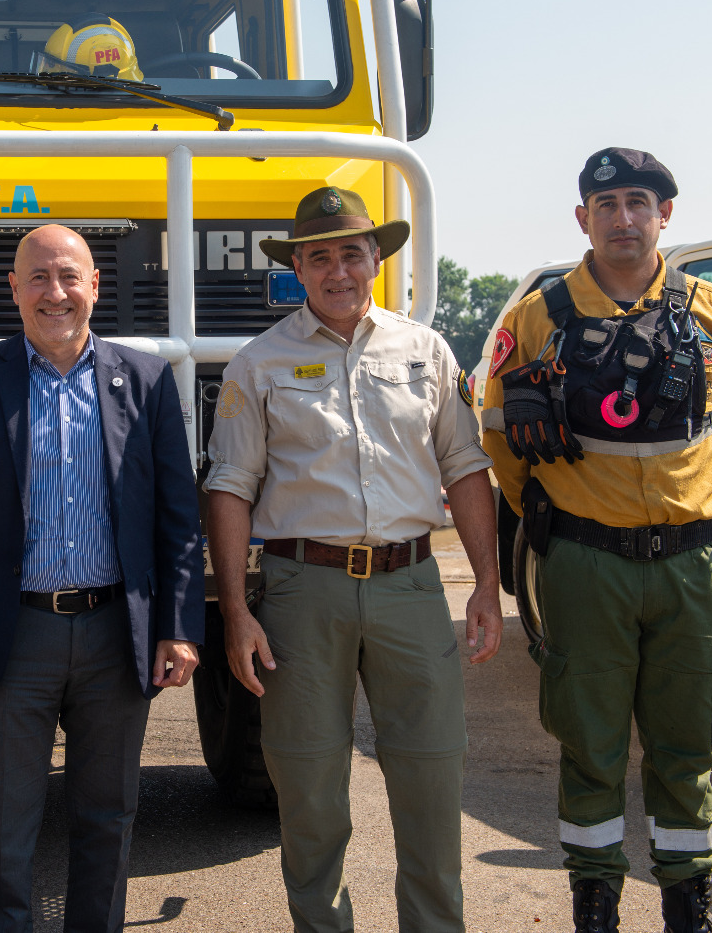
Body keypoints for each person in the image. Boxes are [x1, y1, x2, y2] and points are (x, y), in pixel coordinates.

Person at [205, 186, 504, 933]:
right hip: (303, 591)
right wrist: (238, 611)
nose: (337, 269)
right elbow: (230, 486)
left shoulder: (426, 350)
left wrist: (488, 585)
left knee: (433, 781)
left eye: (350, 252)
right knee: (308, 790)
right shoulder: (258, 363)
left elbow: (465, 465)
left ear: (376, 257)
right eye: (318, 257)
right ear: (297, 269)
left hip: (410, 584)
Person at [480, 148, 712, 933]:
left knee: (688, 739)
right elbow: (498, 435)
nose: (624, 217)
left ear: (665, 214)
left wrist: (697, 505)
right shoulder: (536, 316)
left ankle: (687, 903)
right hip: (585, 562)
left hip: (690, 562)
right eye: (607, 204)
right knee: (589, 739)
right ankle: (595, 900)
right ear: (583, 218)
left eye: (639, 202)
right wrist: (552, 514)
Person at [0, 223, 202, 933]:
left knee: (108, 821)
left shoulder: (149, 380)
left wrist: (179, 626)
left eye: (70, 276)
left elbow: (177, 520)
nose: (55, 292)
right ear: (14, 289)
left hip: (113, 635)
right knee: (3, 833)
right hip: (13, 636)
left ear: (95, 286)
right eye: (38, 277)